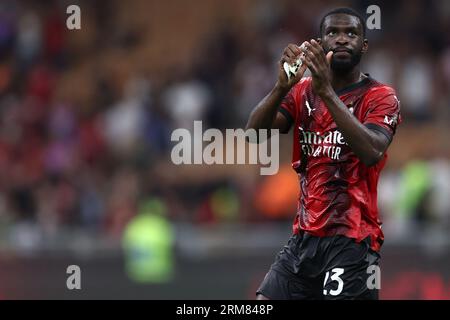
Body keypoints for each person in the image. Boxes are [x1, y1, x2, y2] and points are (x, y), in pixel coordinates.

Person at [245, 7, 401, 300]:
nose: (342, 39)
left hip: (352, 241)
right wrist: (280, 87)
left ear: (364, 45)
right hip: (304, 238)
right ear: (320, 43)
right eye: (333, 33)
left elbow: (371, 151)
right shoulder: (302, 92)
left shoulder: (381, 97)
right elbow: (253, 134)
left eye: (351, 33)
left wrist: (326, 91)